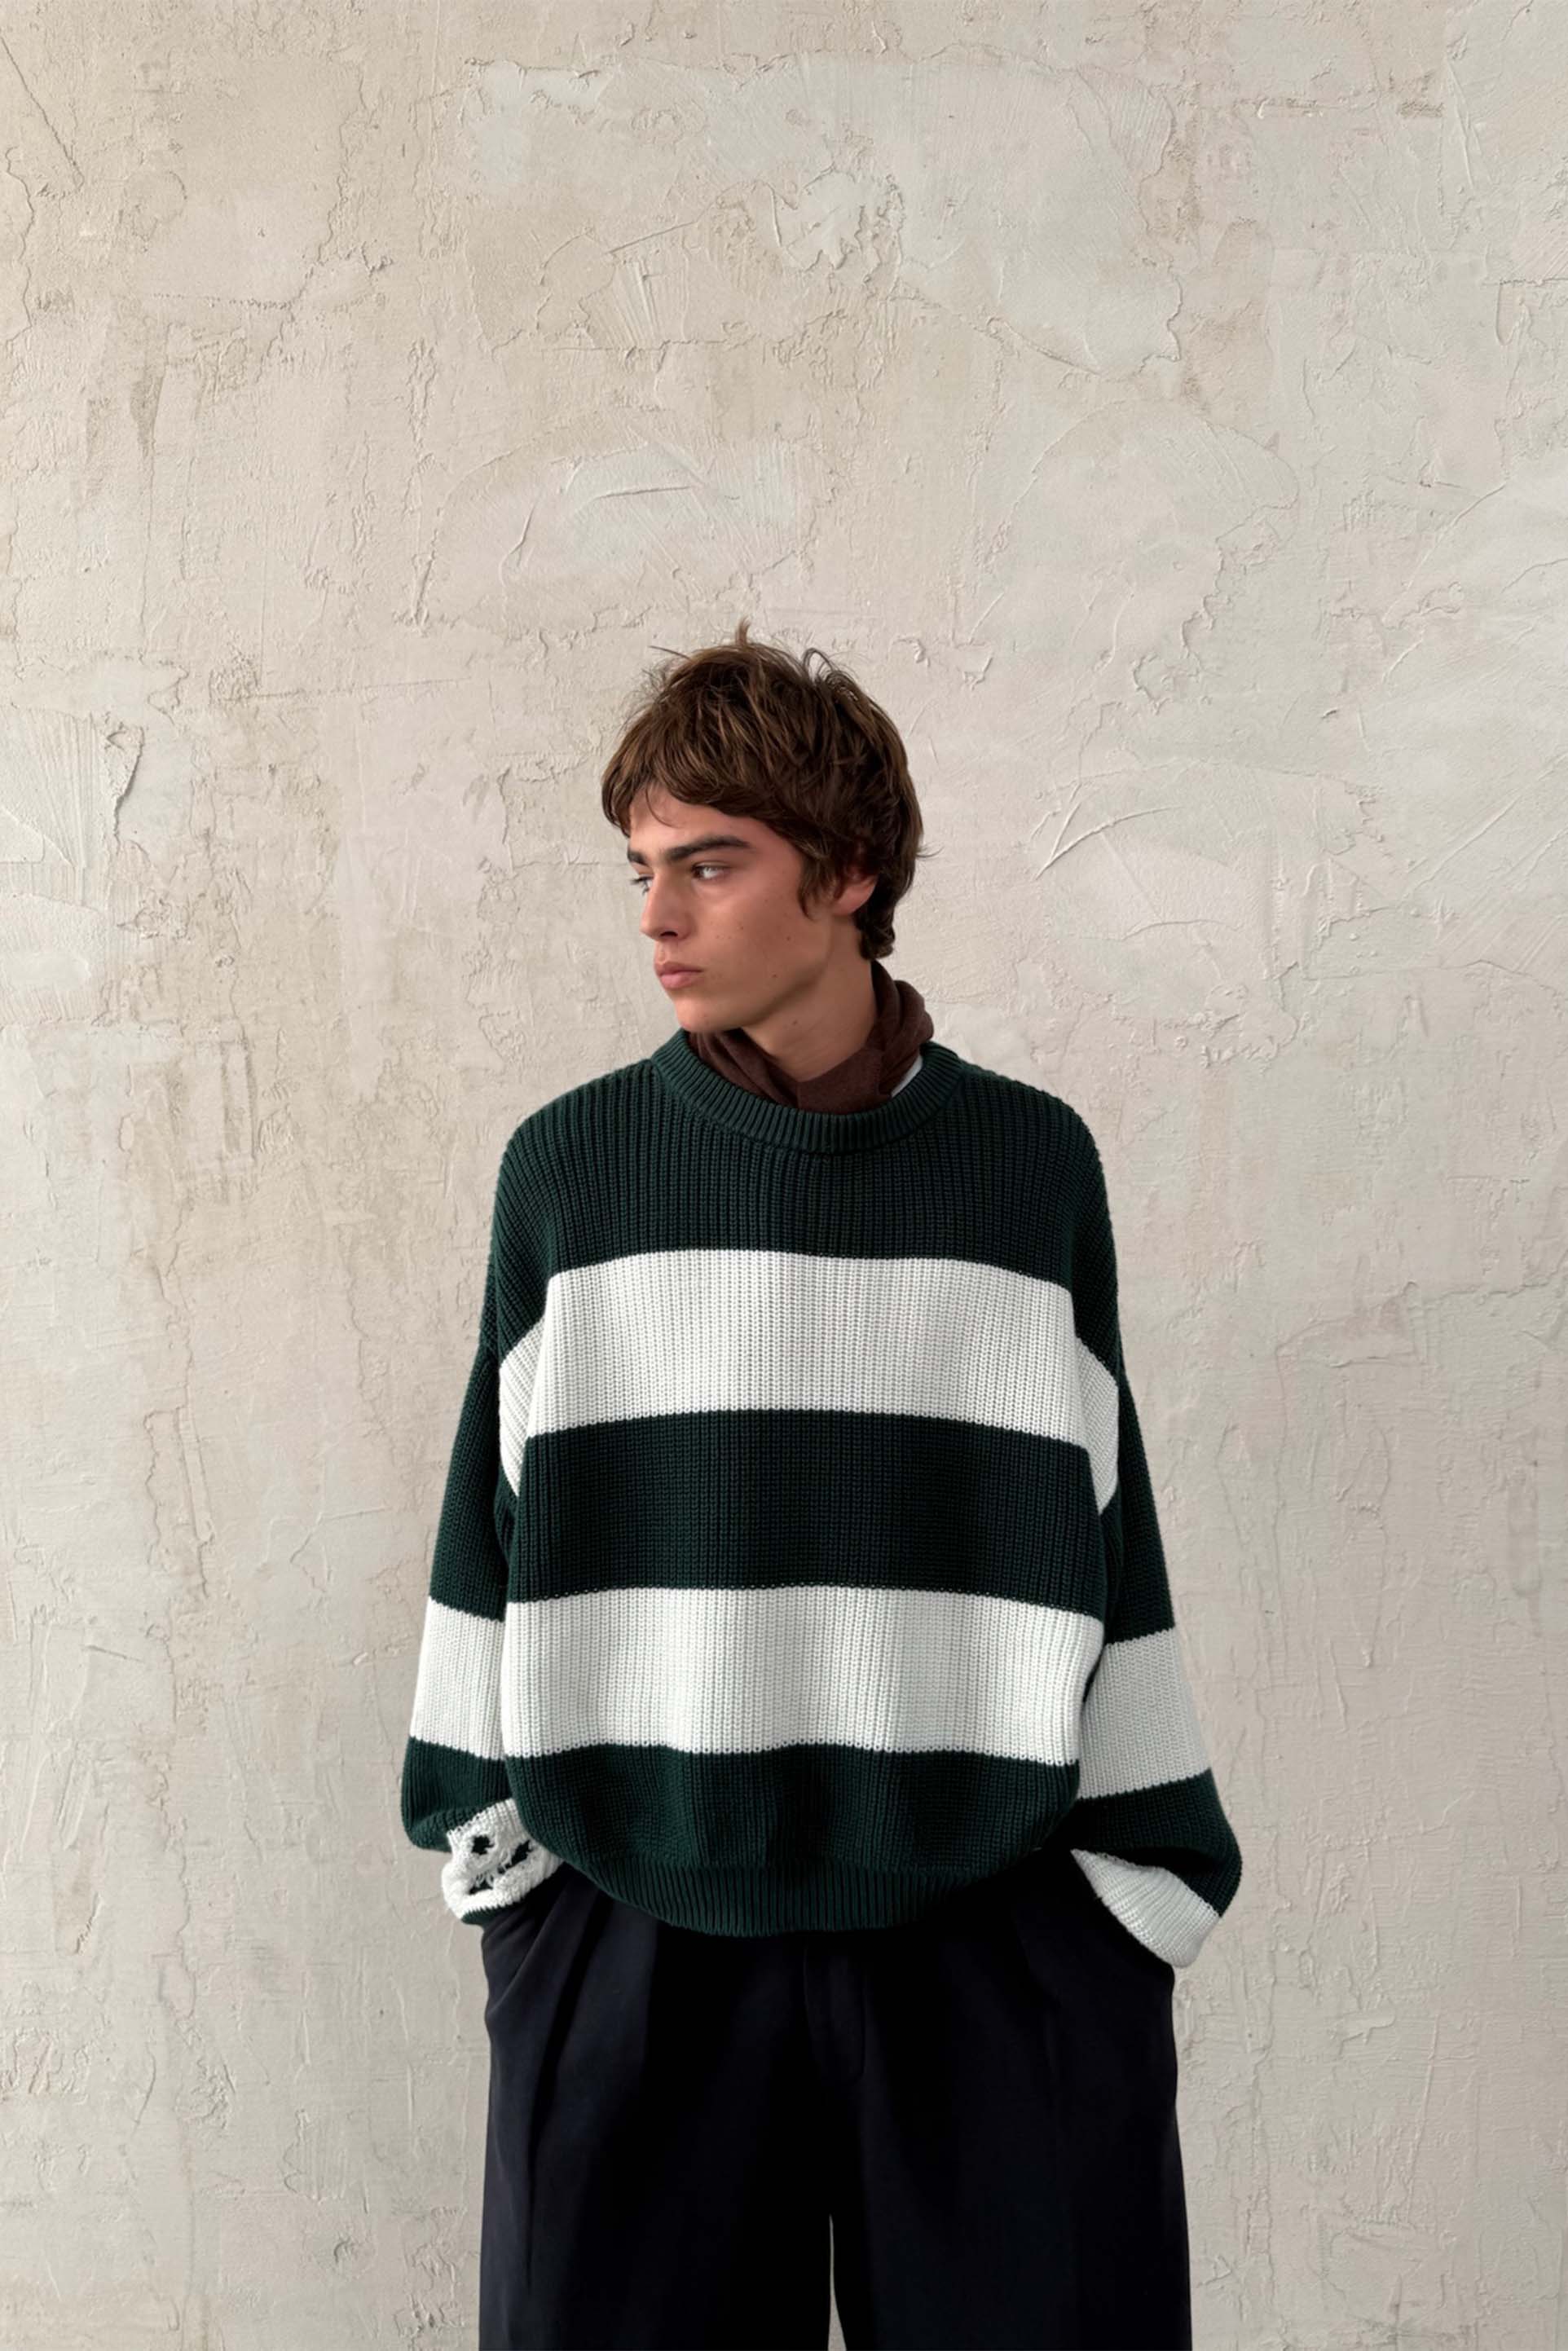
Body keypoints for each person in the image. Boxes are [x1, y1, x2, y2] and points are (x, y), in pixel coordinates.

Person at [400, 621, 1243, 2351]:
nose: (656, 916)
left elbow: (1102, 1521)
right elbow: (490, 1524)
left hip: (990, 1931)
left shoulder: (1025, 1168)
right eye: (641, 869)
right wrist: (498, 1861)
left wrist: (1128, 1894)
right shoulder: (571, 1173)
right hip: (633, 1920)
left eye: (708, 864)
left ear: (849, 873)